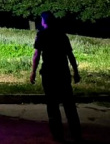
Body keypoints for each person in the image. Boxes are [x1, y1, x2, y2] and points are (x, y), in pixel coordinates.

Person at [30, 11, 82, 142]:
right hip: (63, 73)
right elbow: (70, 55)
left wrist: (33, 72)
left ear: (44, 21)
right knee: (69, 105)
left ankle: (58, 135)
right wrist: (75, 72)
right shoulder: (62, 35)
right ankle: (76, 134)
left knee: (52, 106)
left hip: (49, 74)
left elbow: (37, 55)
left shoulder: (41, 35)